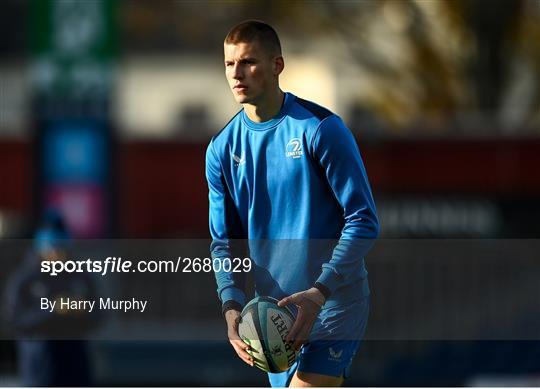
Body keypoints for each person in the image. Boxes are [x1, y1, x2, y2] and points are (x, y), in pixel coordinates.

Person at [205, 20, 379, 387]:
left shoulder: (320, 129)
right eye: (229, 63)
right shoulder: (221, 150)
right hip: (272, 315)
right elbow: (225, 242)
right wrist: (231, 305)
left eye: (249, 61)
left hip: (333, 303)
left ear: (277, 65)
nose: (237, 73)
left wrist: (321, 290)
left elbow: (363, 220)